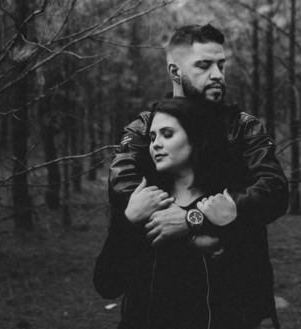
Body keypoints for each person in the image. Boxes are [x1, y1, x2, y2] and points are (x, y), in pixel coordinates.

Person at [106, 24, 286, 327]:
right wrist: (175, 219)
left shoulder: (242, 127)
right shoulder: (146, 128)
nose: (218, 75)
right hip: (154, 299)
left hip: (234, 300)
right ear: (175, 72)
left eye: (221, 65)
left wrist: (194, 219)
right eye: (204, 65)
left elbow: (274, 191)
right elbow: (122, 187)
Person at [94, 97, 273, 329]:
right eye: (152, 137)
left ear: (196, 138)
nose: (156, 144)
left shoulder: (225, 202)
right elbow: (107, 285)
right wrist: (128, 221)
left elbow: (255, 286)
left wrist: (206, 233)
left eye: (167, 134)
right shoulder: (145, 202)